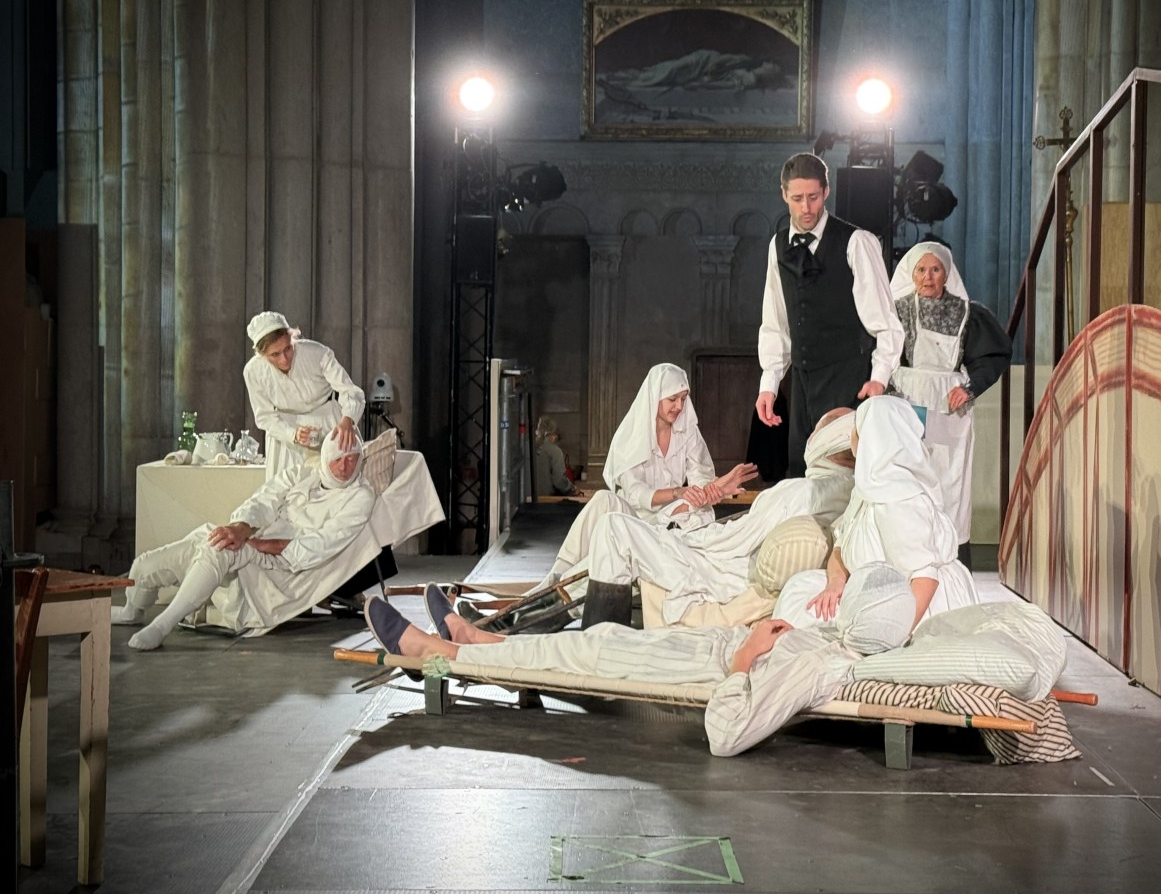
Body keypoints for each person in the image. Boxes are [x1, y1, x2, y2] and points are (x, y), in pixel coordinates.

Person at [362, 567, 916, 757]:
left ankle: (438, 655)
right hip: (696, 650)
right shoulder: (841, 643)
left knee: (577, 652)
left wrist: (746, 656)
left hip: (695, 669)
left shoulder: (820, 668)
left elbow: (728, 734)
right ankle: (470, 638)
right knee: (587, 640)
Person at [577, 408, 858, 628]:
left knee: (614, 527)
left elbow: (728, 544)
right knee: (611, 507)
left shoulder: (801, 491)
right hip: (709, 541)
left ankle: (600, 640)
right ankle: (559, 598)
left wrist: (676, 528)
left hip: (721, 569)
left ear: (818, 443)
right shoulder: (852, 494)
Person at [112, 432, 375, 650]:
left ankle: (161, 626)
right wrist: (240, 528)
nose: (344, 467)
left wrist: (257, 545)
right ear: (326, 456)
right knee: (144, 565)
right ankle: (131, 611)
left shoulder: (360, 497)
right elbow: (262, 501)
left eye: (351, 459)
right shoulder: (301, 474)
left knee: (221, 550)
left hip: (280, 564)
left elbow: (321, 544)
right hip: (253, 541)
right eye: (338, 459)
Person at [527, 363, 757, 595]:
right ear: (655, 397)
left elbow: (700, 478)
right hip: (636, 517)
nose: (679, 406)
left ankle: (571, 585)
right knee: (604, 500)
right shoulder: (632, 434)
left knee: (700, 516)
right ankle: (556, 575)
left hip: (673, 519)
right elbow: (635, 494)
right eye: (672, 399)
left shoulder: (688, 431)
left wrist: (714, 489)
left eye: (684, 398)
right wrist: (678, 492)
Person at [776, 395, 978, 639]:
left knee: (803, 617)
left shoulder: (900, 501)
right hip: (871, 590)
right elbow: (841, 546)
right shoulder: (867, 490)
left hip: (911, 606)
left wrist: (893, 638)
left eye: (856, 429)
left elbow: (925, 579)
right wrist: (835, 583)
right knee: (799, 590)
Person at [756, 152, 904, 478]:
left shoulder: (856, 243)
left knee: (844, 476)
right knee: (802, 472)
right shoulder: (778, 246)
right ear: (784, 195)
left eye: (813, 197)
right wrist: (769, 385)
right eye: (797, 199)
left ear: (826, 191)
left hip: (848, 379)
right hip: (803, 384)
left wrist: (879, 378)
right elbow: (776, 324)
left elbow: (887, 325)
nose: (806, 208)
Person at [888, 242, 1011, 567]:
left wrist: (969, 388)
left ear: (946, 273)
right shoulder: (896, 311)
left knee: (949, 482)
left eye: (935, 269)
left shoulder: (968, 313)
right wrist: (887, 389)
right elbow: (879, 355)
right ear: (911, 274)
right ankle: (909, 560)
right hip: (907, 401)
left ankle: (950, 562)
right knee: (909, 477)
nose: (928, 277)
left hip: (947, 405)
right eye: (921, 270)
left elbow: (992, 356)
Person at [243, 310, 366, 478]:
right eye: (275, 354)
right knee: (288, 487)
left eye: (288, 348)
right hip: (286, 433)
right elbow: (265, 417)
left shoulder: (317, 353)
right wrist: (292, 434)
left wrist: (348, 420)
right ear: (261, 354)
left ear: (292, 338)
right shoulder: (253, 371)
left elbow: (349, 390)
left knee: (339, 484)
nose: (284, 359)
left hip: (330, 424)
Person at [533, 415, 576, 497]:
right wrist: (571, 488)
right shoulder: (555, 451)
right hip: (546, 500)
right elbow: (559, 481)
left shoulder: (527, 448)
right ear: (552, 435)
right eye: (556, 435)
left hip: (525, 500)